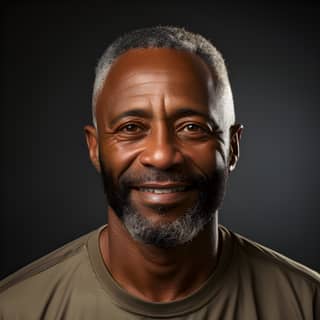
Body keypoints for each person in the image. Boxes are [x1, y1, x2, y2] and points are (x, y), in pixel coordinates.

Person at [0, 26, 319, 319]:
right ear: (95, 147)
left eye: (193, 128)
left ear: (233, 146)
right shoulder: (17, 309)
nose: (162, 156)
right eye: (131, 128)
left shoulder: (307, 305)